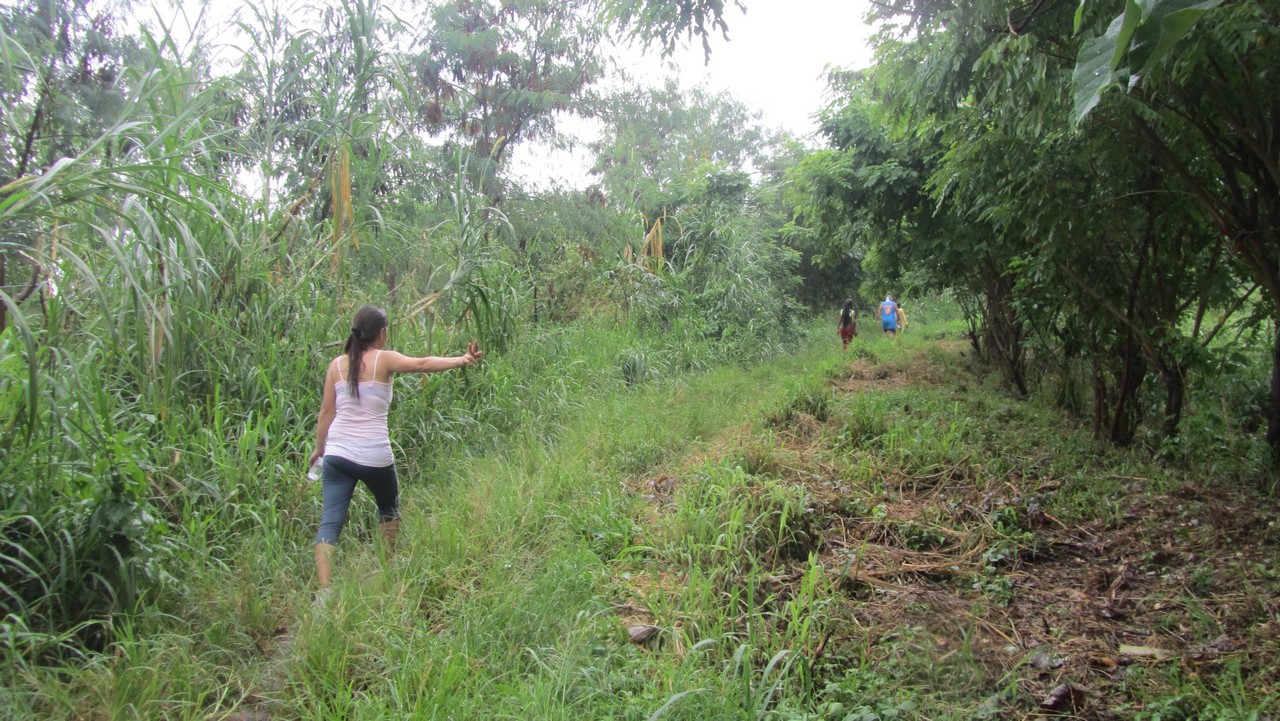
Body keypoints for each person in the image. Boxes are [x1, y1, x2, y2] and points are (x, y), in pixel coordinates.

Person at [307, 305, 483, 590]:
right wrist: (461, 360)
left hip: (338, 453)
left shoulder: (336, 365)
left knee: (330, 522)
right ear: (382, 333)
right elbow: (422, 364)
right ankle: (386, 568)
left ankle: (325, 593)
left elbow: (326, 412)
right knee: (388, 508)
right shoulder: (384, 358)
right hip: (374, 453)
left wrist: (319, 449)